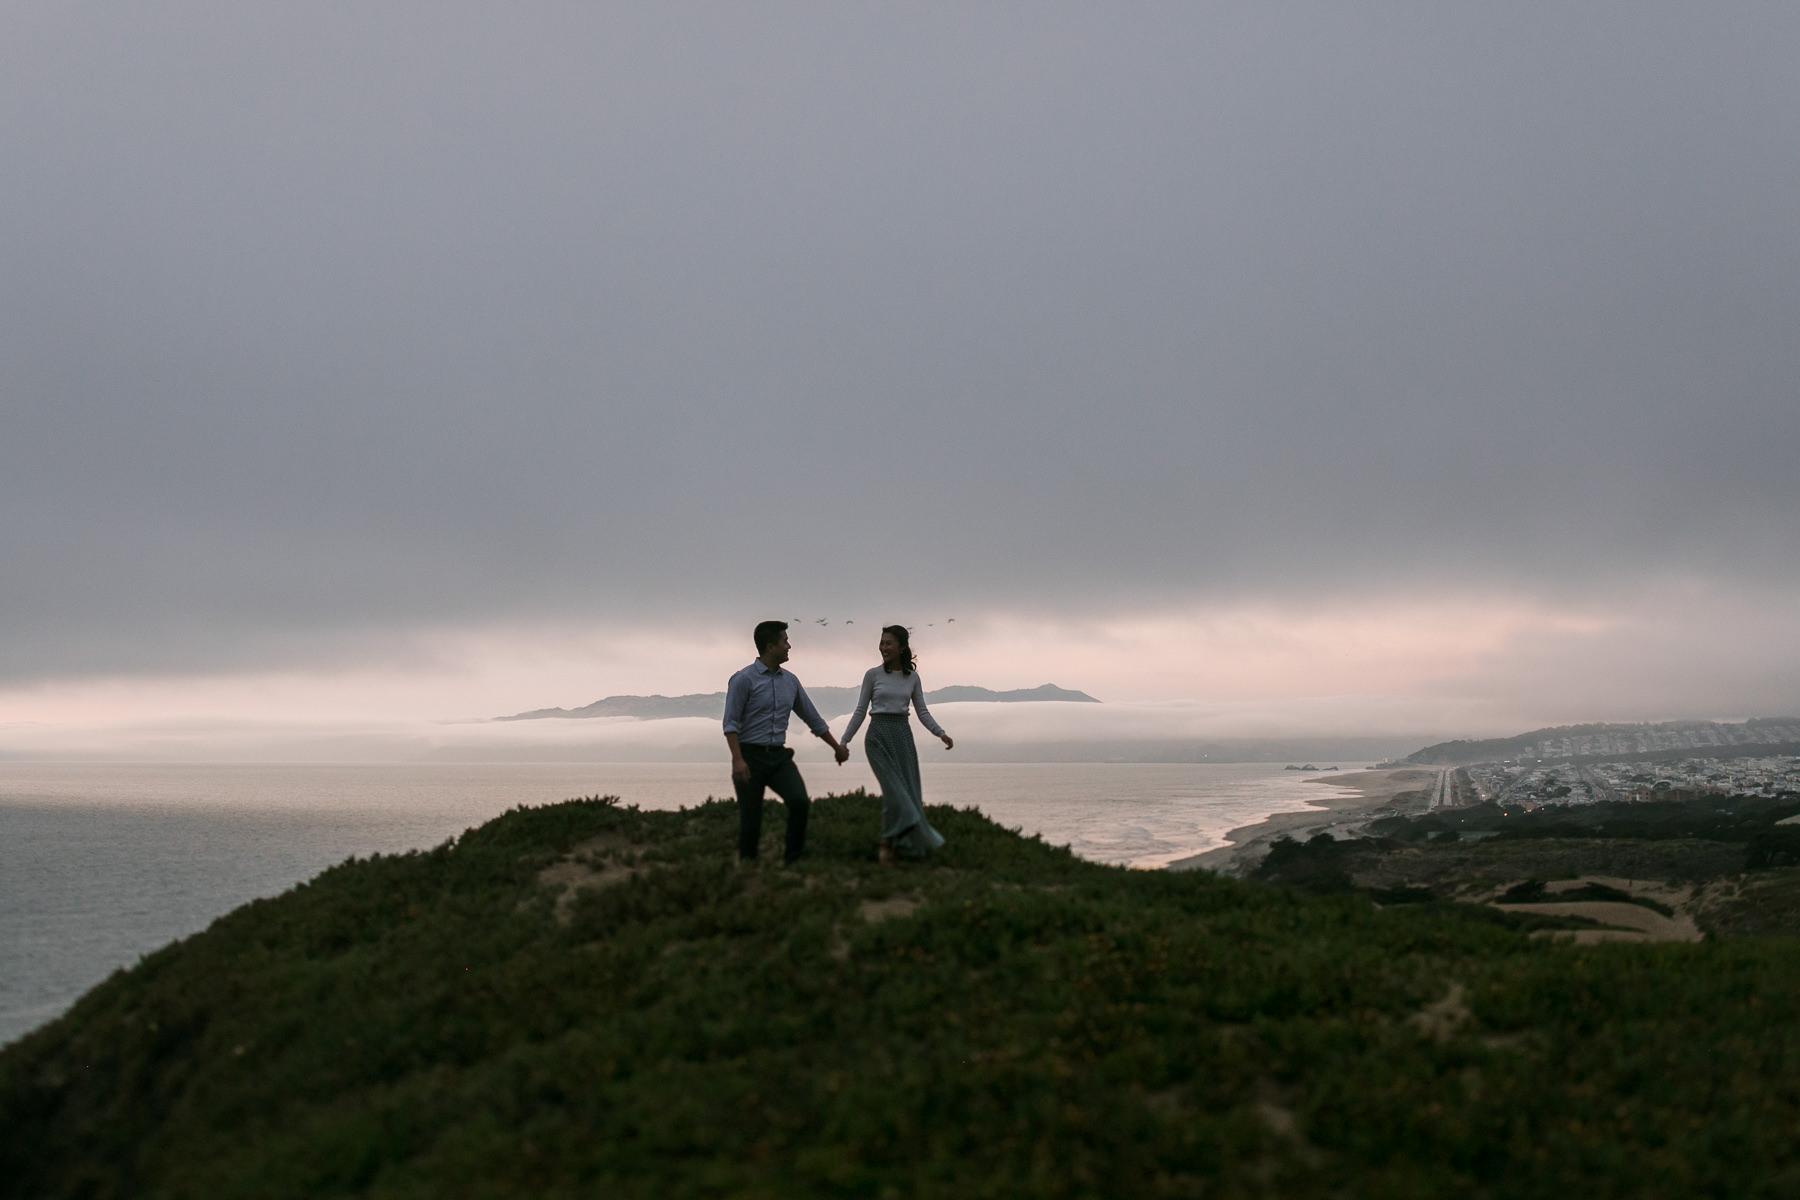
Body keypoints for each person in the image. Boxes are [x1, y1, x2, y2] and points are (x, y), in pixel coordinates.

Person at [723, 620, 849, 865]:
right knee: (751, 820)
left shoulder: (790, 681)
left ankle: (792, 863)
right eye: (785, 641)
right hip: (749, 756)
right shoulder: (742, 680)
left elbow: (813, 718)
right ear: (771, 646)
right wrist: (738, 760)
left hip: (779, 757)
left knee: (799, 802)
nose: (789, 646)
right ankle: (748, 870)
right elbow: (731, 724)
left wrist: (837, 748)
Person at [838, 625, 952, 862]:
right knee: (893, 792)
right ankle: (890, 840)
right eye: (881, 643)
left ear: (901, 647)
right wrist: (844, 740)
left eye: (888, 643)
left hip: (902, 737)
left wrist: (940, 733)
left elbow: (922, 712)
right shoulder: (872, 675)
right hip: (877, 736)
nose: (883, 648)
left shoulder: (912, 678)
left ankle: (894, 845)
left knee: (907, 791)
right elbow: (860, 711)